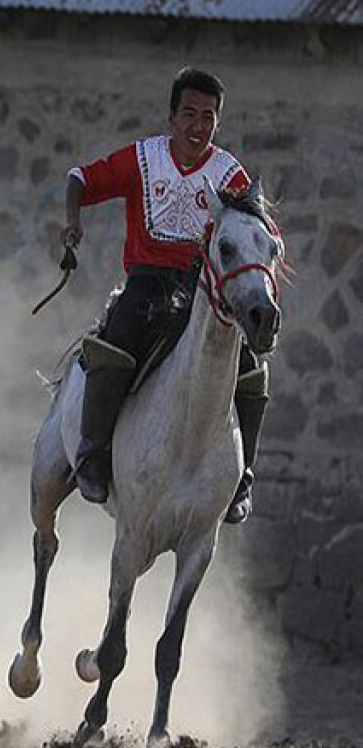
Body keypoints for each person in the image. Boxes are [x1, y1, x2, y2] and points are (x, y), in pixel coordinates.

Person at [63, 66, 268, 523]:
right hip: (147, 282)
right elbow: (80, 177)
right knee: (115, 342)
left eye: (208, 117)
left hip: (206, 292)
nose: (198, 126)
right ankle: (93, 454)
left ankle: (243, 477)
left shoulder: (228, 172)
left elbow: (256, 232)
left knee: (252, 370)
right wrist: (74, 221)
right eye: (189, 114)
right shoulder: (143, 158)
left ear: (217, 122)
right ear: (172, 117)